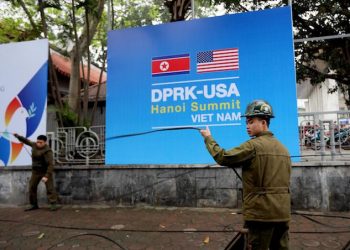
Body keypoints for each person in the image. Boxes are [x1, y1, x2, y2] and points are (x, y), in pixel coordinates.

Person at [200, 100, 291, 250]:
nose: (247, 126)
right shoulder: (284, 149)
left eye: (251, 121)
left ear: (263, 122)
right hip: (283, 213)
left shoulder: (253, 146)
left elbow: (223, 157)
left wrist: (208, 138)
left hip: (260, 215)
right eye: (246, 122)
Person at [14, 133, 59, 211]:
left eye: (40, 142)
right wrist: (17, 136)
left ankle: (53, 204)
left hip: (45, 171)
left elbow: (50, 165)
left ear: (45, 142)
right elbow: (26, 141)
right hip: (35, 171)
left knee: (50, 188)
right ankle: (33, 204)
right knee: (32, 187)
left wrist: (47, 176)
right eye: (37, 142)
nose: (38, 144)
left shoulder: (47, 151)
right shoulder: (34, 145)